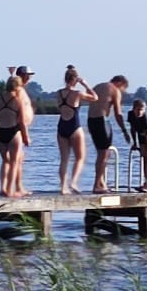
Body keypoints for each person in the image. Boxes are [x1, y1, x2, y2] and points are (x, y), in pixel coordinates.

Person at [54, 65, 98, 195]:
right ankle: (73, 182)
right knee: (80, 157)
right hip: (74, 126)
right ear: (75, 79)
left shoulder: (59, 93)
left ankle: (63, 187)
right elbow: (95, 97)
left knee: (64, 159)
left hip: (62, 126)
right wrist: (85, 84)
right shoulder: (77, 93)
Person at [88, 75, 131, 193]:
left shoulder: (97, 87)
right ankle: (97, 185)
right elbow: (118, 113)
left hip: (91, 120)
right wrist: (124, 130)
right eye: (123, 89)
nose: (122, 92)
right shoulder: (115, 90)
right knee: (104, 155)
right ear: (120, 83)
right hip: (102, 121)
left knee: (100, 154)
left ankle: (101, 183)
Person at [0, 71, 30, 198]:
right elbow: (22, 122)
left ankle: (3, 188)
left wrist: (0, 124)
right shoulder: (18, 101)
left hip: (1, 132)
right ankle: (10, 189)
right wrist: (26, 137)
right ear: (18, 86)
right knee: (14, 162)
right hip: (14, 132)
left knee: (5, 161)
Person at [127, 94, 147, 188]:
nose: (140, 112)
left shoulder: (145, 119)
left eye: (142, 110)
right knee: (144, 158)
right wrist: (134, 143)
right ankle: (145, 180)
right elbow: (132, 129)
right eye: (138, 110)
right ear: (134, 109)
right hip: (140, 135)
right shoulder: (131, 115)